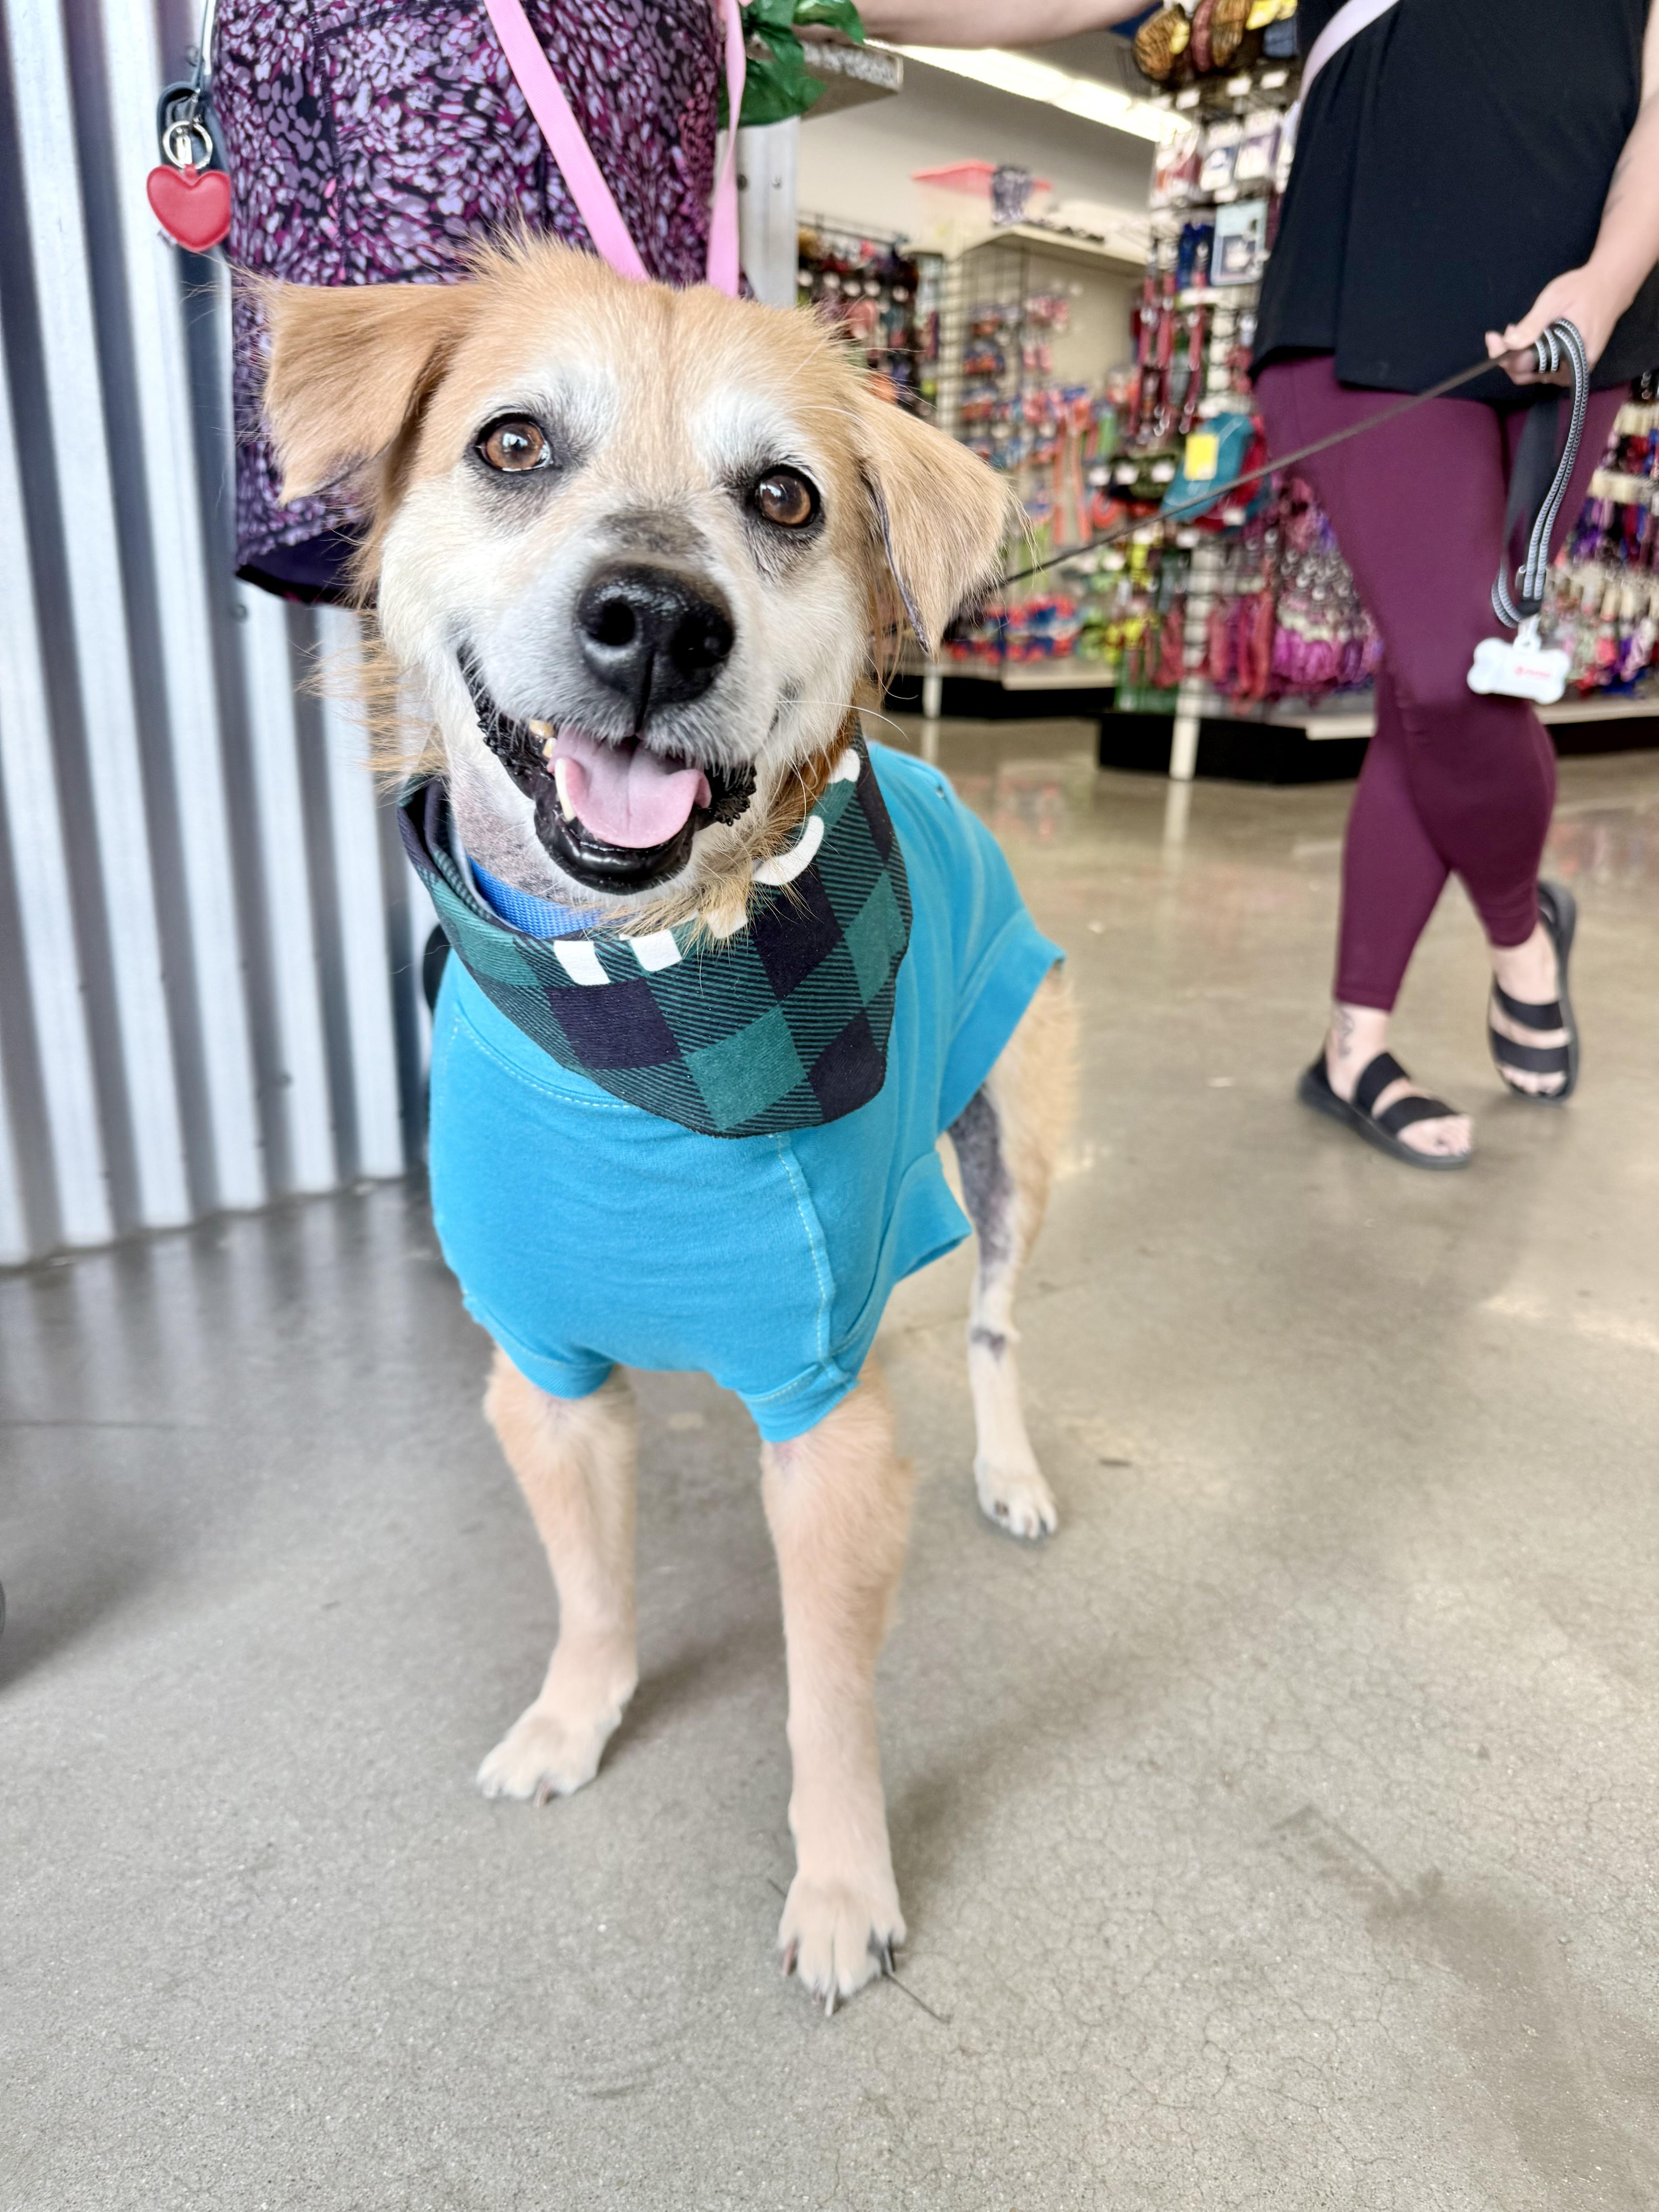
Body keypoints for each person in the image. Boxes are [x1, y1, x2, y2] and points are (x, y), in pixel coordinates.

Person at [1248, 0, 1659, 1166]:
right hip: (1354, 299)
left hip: (1574, 323)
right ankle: (1523, 934)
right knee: (1450, 674)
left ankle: (1350, 1044)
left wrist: (1607, 282)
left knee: (1423, 700)